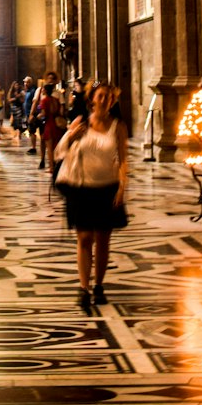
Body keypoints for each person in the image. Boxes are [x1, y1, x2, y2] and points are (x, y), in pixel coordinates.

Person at [54, 81, 128, 313]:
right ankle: (83, 288)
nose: (104, 99)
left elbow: (123, 159)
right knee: (85, 238)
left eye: (108, 96)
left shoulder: (118, 126)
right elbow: (60, 152)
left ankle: (99, 286)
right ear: (92, 100)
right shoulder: (81, 124)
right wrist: (71, 136)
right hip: (81, 187)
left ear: (112, 101)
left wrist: (122, 187)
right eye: (100, 96)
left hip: (107, 187)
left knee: (103, 240)